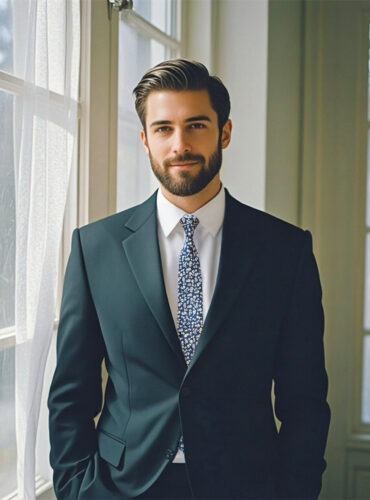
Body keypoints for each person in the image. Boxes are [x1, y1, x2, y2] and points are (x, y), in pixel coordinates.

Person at [48, 59, 330, 500]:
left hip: (247, 485)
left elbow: (306, 400)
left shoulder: (285, 251)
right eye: (163, 129)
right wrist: (74, 489)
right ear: (144, 140)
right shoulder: (94, 248)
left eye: (196, 125)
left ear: (225, 132)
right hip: (120, 486)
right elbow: (70, 394)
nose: (180, 144)